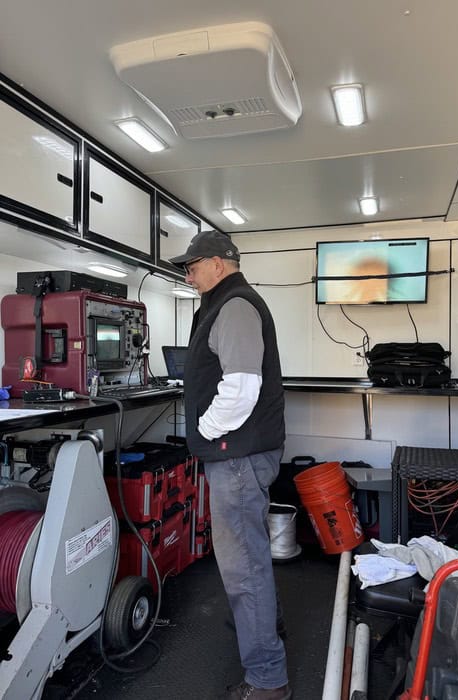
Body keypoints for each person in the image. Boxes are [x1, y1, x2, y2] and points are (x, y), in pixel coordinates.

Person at [170, 230, 291, 700]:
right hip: (238, 453)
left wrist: (202, 430)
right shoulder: (224, 303)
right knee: (251, 557)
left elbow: (240, 388)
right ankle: (265, 624)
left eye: (192, 265)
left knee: (244, 567)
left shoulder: (235, 304)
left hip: (236, 456)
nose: (188, 273)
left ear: (219, 264)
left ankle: (266, 680)